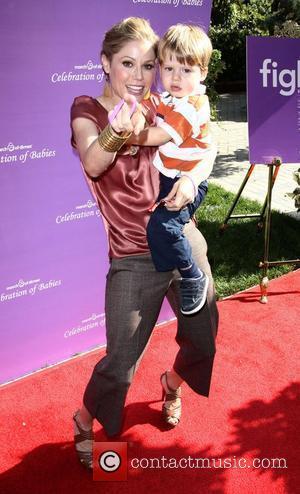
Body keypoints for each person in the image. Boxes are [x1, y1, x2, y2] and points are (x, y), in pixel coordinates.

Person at [70, 17, 219, 471]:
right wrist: (125, 128)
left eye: (148, 65)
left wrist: (193, 180)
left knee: (204, 336)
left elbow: (206, 142)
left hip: (180, 235)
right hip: (133, 254)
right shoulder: (87, 109)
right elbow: (95, 161)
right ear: (105, 63)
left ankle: (171, 384)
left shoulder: (163, 102)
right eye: (128, 64)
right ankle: (84, 417)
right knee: (119, 361)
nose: (139, 76)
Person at [129, 24, 213, 315]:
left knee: (163, 227)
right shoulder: (169, 98)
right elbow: (150, 105)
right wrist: (138, 112)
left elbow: (158, 136)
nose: (175, 78)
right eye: (169, 69)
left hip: (188, 182)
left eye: (186, 70)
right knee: (159, 231)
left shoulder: (193, 106)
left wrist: (126, 135)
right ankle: (172, 268)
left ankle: (192, 275)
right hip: (169, 177)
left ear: (202, 73)